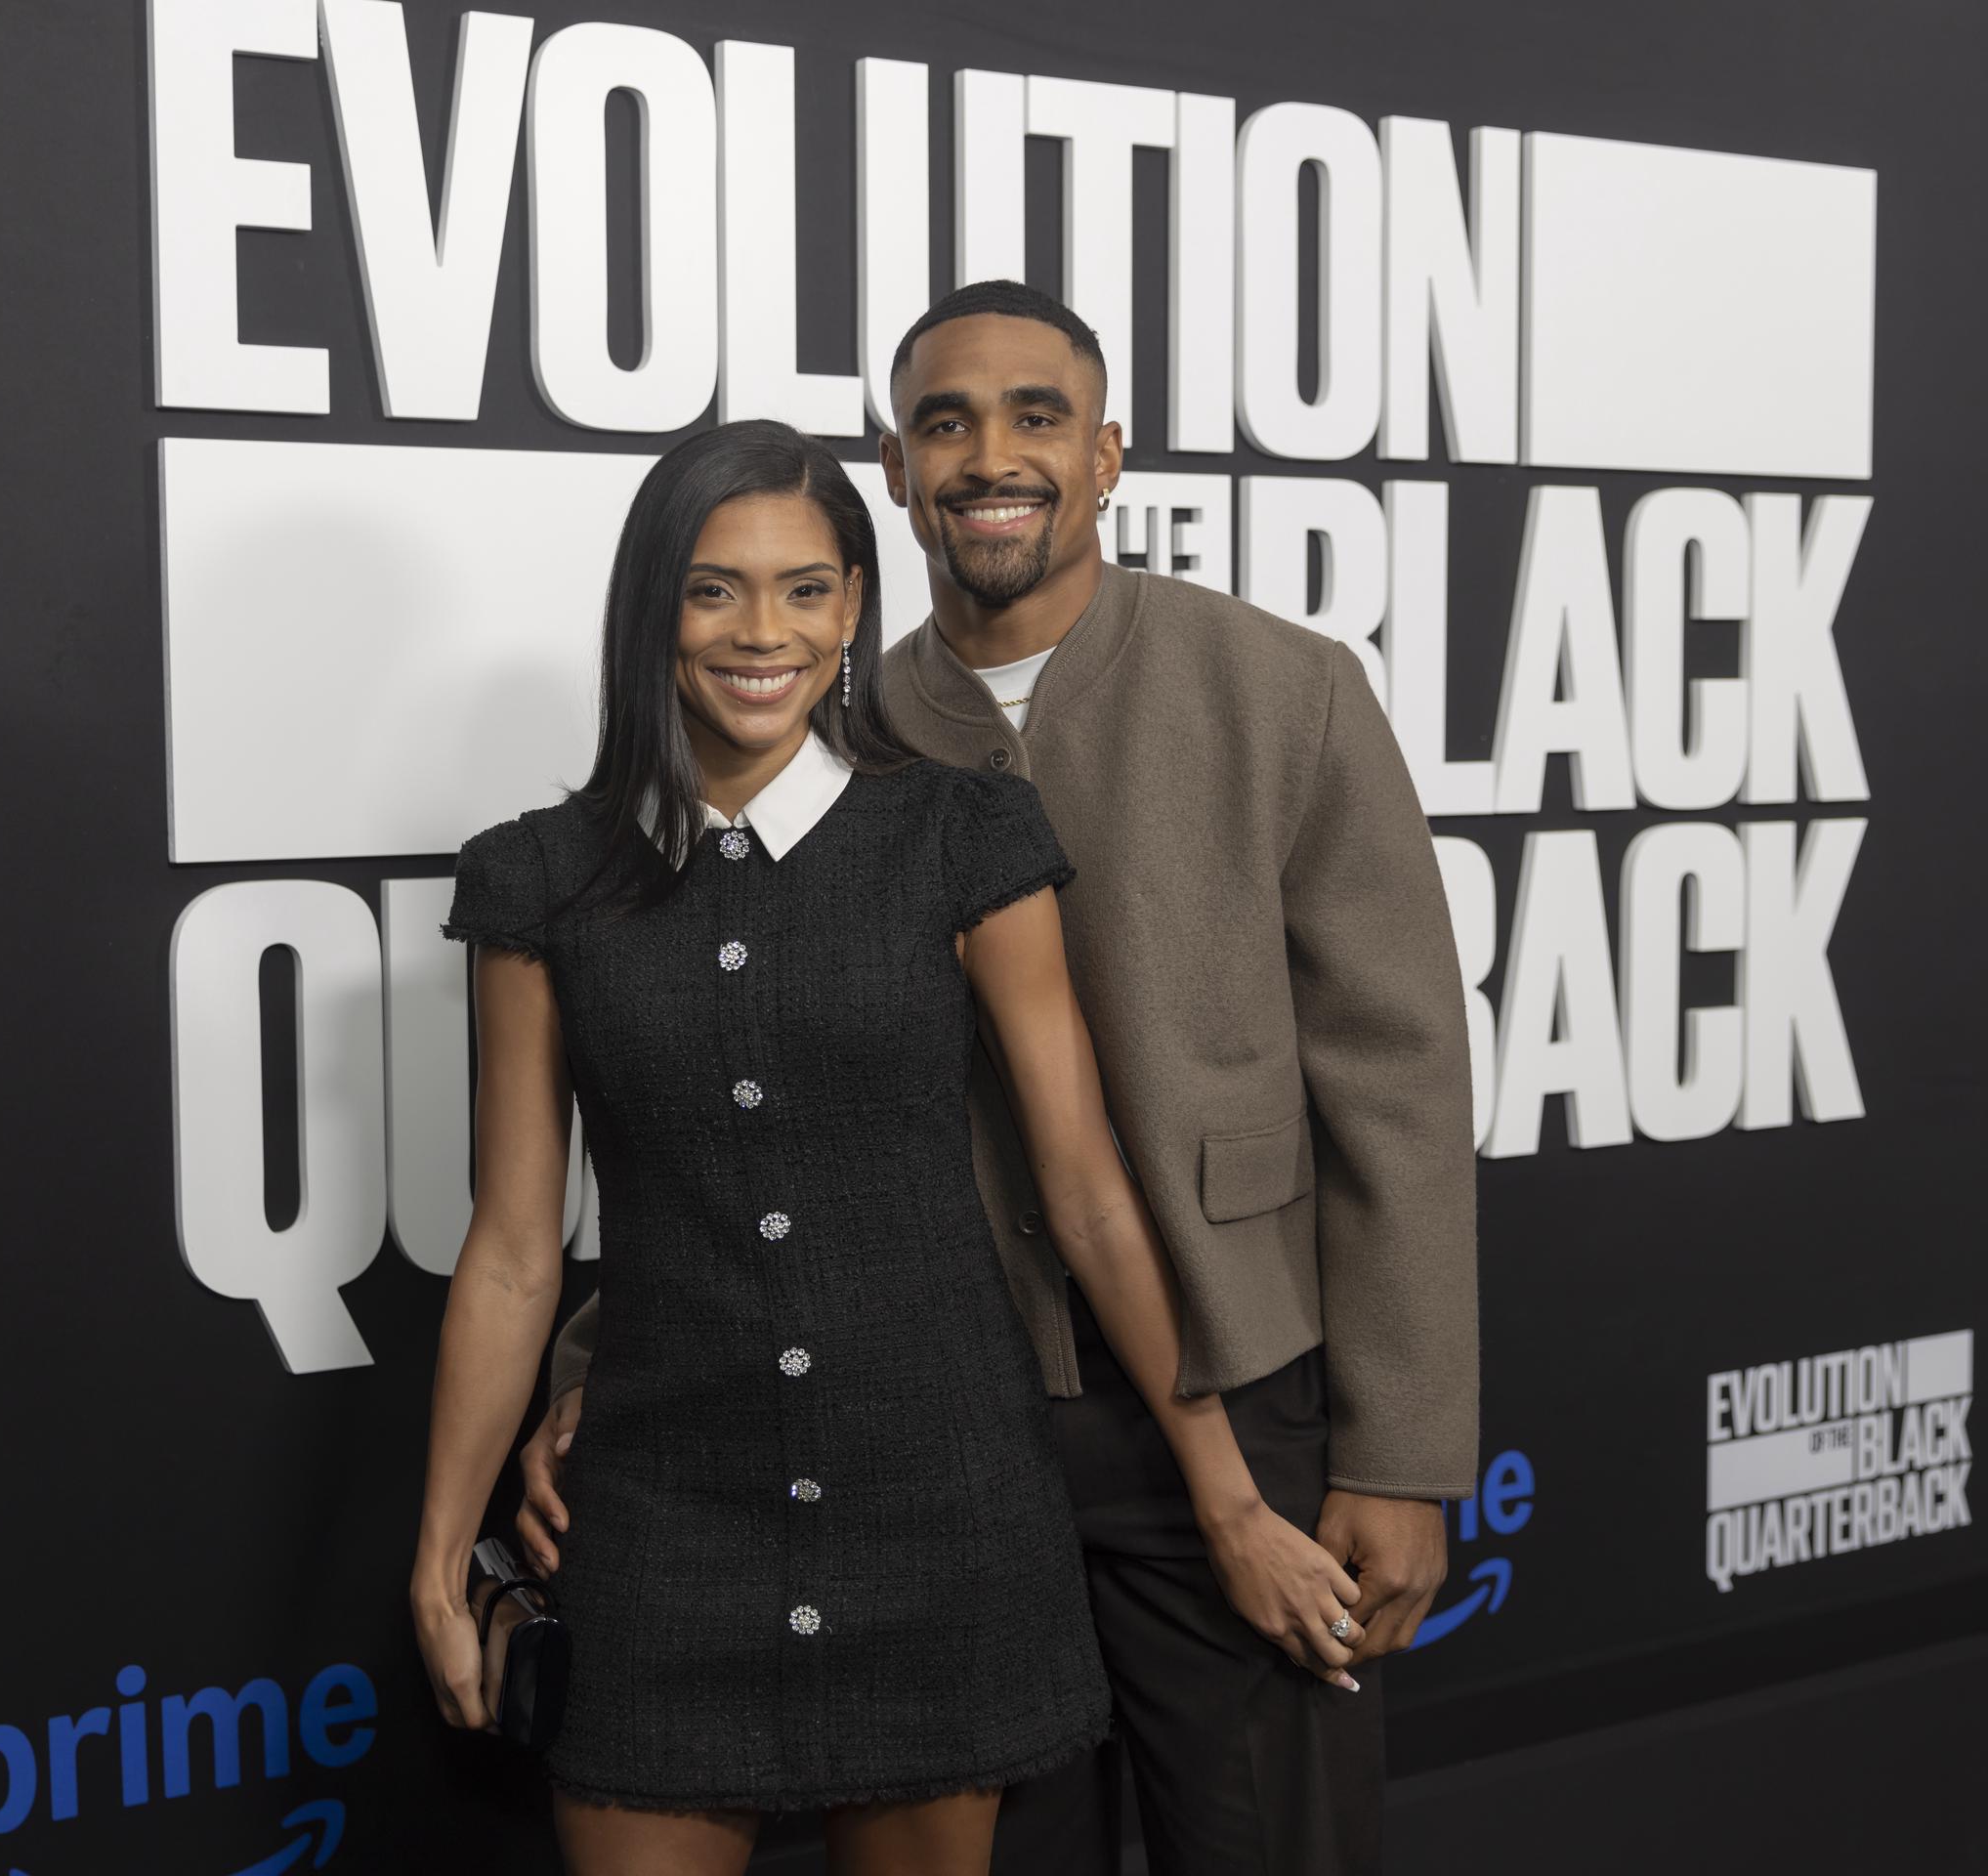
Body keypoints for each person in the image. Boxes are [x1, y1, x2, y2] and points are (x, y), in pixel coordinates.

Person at [518, 285, 1480, 1875]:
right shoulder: (830, 721)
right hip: (940, 1433)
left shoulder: (1284, 688)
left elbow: (1400, 1088)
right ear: (894, 469)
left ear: (1110, 454)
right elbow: (748, 1089)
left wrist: (1403, 1451)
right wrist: (603, 1360)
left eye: (1038, 415)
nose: (991, 455)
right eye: (946, 423)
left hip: (1234, 1401)